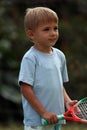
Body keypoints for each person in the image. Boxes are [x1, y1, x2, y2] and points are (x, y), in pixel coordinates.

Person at [18, 7, 78, 130]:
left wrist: (67, 101)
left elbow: (58, 84)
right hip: (37, 121)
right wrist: (43, 112)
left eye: (55, 28)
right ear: (31, 34)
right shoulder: (30, 58)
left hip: (57, 117)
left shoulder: (60, 56)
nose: (53, 33)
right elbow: (25, 89)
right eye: (46, 29)